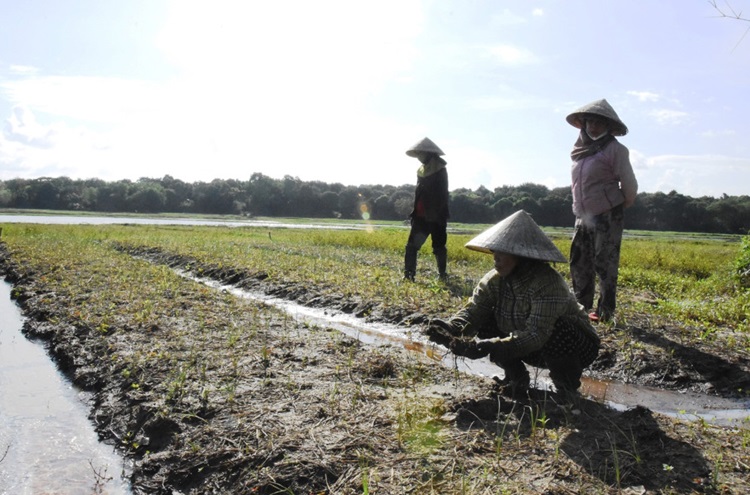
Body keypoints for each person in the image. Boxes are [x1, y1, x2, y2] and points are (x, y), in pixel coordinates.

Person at [424, 210, 600, 398]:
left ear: (522, 257)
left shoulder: (548, 283)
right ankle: (515, 376)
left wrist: (494, 346)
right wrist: (452, 329)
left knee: (559, 329)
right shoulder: (494, 280)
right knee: (486, 320)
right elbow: (474, 310)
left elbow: (537, 334)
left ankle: (566, 387)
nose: (495, 258)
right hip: (529, 345)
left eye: (502, 252)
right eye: (494, 251)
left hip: (574, 348)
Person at [566, 99, 638, 323]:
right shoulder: (580, 152)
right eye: (589, 122)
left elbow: (630, 186)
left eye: (598, 122)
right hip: (582, 216)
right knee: (579, 261)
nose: (593, 127)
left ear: (608, 126)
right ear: (584, 124)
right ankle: (581, 306)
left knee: (604, 263)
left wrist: (616, 207)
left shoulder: (616, 150)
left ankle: (605, 310)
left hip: (607, 214)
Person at [403, 137, 450, 282]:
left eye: (420, 154)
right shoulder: (421, 170)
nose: (418, 157)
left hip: (436, 217)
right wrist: (415, 213)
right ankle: (409, 275)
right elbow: (419, 194)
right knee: (411, 247)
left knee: (439, 247)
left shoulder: (440, 170)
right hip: (420, 217)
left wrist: (436, 215)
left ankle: (442, 274)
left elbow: (443, 194)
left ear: (428, 153)